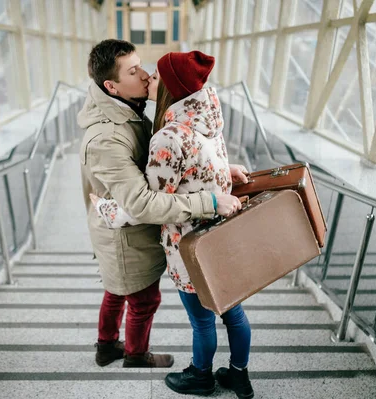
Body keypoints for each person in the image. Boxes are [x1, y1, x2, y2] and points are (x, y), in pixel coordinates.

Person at [90, 50, 254, 398]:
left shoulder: (169, 137)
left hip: (189, 247)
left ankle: (201, 376)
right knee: (234, 314)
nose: (149, 77)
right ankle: (239, 375)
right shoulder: (208, 117)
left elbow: (145, 204)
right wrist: (230, 171)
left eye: (155, 75)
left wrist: (108, 210)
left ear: (170, 87)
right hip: (222, 238)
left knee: (202, 321)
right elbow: (206, 168)